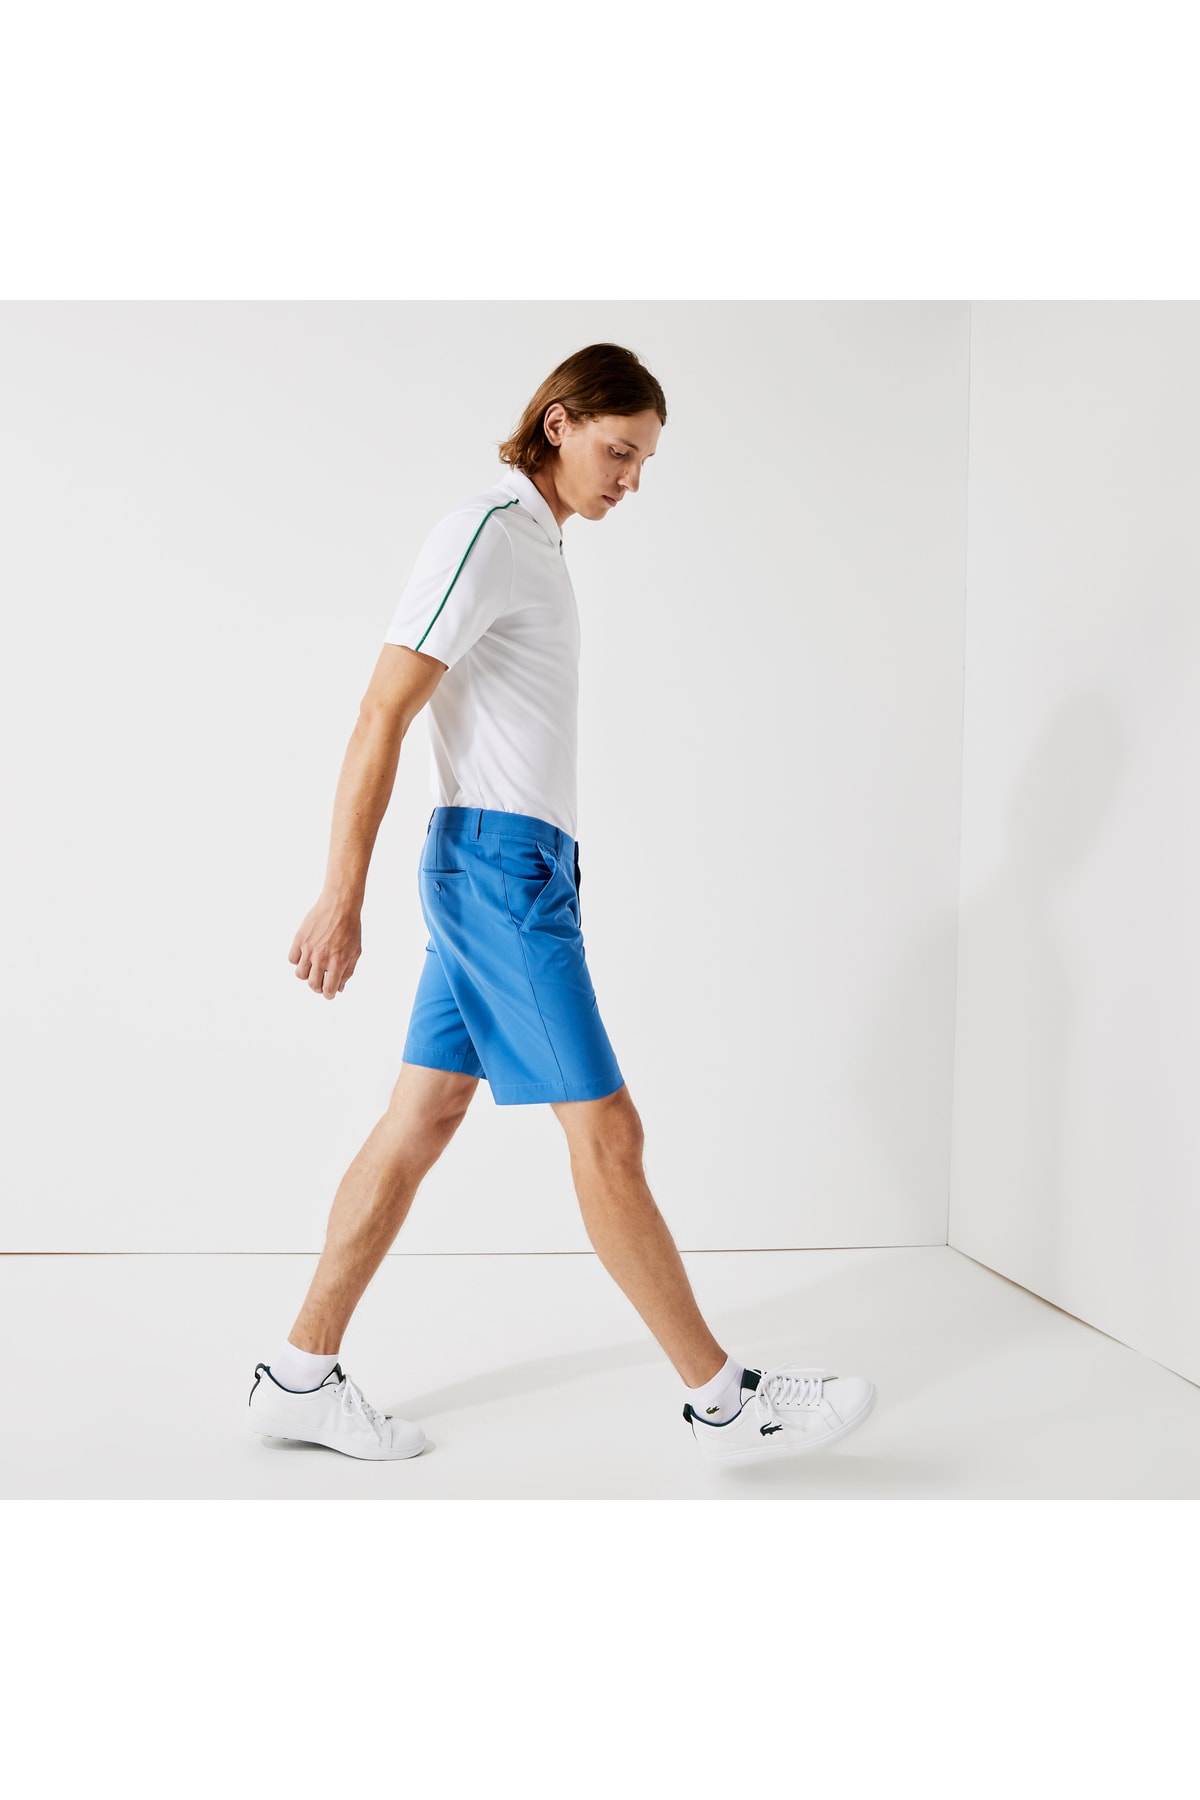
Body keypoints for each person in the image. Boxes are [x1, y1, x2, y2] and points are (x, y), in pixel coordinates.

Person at [245, 342, 876, 1467]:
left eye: (644, 461)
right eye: (619, 451)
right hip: (497, 872)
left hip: (519, 869)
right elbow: (381, 711)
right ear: (558, 424)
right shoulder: (487, 534)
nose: (630, 479)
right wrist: (342, 893)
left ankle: (298, 1376)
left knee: (419, 1121)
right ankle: (722, 1402)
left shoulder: (538, 545)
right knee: (609, 1132)